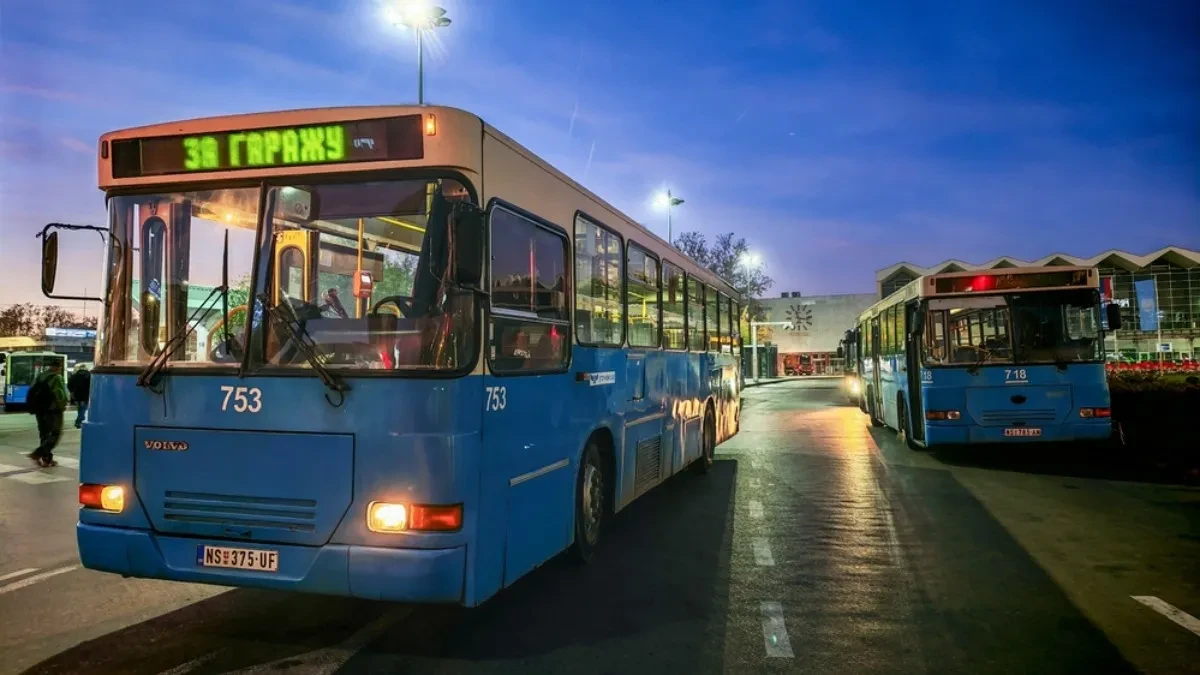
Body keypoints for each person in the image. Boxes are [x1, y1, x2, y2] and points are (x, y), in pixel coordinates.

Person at [28, 361, 67, 468]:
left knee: (44, 434)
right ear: (58, 367)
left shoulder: (40, 376)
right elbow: (60, 394)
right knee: (55, 433)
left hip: (40, 410)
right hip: (53, 410)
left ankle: (47, 459)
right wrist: (63, 406)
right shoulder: (56, 377)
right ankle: (38, 453)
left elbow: (31, 390)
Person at [68, 364, 91, 429]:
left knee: (80, 408)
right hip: (85, 395)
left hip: (76, 396)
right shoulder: (89, 375)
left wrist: (72, 392)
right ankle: (79, 421)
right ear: (85, 368)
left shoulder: (74, 376)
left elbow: (69, 385)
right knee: (83, 408)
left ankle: (79, 420)